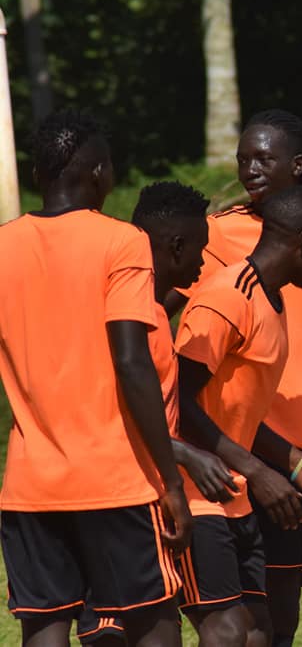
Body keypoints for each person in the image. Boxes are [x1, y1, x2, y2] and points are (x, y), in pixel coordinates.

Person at [166, 109, 302, 647]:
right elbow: (173, 299)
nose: (250, 169)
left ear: (298, 166)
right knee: (268, 620)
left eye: (264, 158)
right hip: (253, 445)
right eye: (243, 159)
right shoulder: (218, 233)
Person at [0, 111, 191, 647]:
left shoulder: (3, 245)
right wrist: (172, 481)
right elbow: (132, 361)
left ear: (40, 174)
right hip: (116, 480)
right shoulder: (122, 242)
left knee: (45, 629)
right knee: (152, 622)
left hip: (30, 486)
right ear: (100, 173)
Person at [78, 181, 239, 646]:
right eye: (199, 251)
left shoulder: (146, 307)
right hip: (123, 495)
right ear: (175, 246)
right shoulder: (129, 325)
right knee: (128, 630)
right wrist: (186, 458)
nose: (204, 264)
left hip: (135, 490)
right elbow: (107, 416)